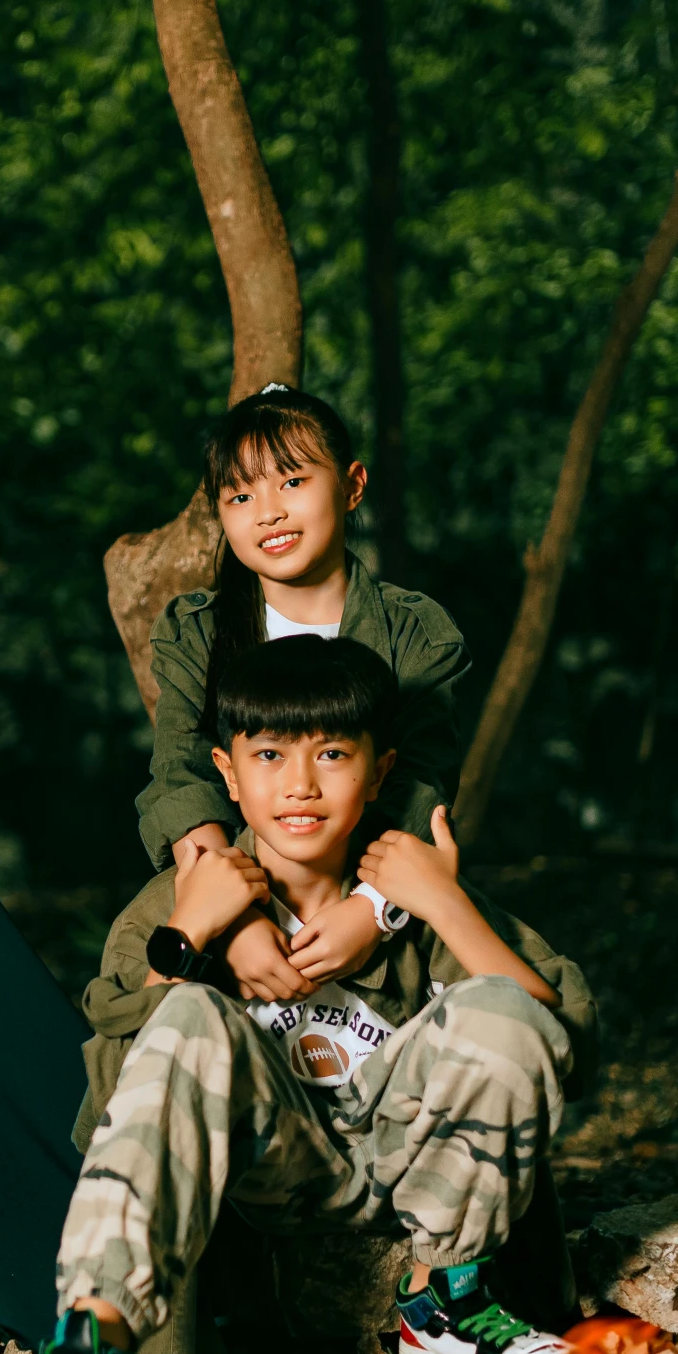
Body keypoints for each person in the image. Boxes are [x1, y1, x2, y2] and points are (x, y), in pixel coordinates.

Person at [0, 636, 596, 1354]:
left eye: (331, 755)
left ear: (377, 774)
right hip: (271, 1167)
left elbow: (557, 1032)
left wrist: (442, 902)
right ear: (228, 774)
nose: (299, 785)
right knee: (186, 1010)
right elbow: (120, 1067)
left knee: (502, 1007)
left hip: (411, 1158)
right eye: (269, 756)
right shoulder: (179, 901)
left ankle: (443, 1305)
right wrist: (191, 933)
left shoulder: (406, 887)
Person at [136, 383, 469, 1011]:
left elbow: (420, 784)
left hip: (376, 894)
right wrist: (231, 919)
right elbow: (181, 780)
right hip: (233, 904)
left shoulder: (417, 635)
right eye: (241, 495)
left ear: (352, 485)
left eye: (291, 482)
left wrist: (373, 912)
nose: (268, 512)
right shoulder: (196, 632)